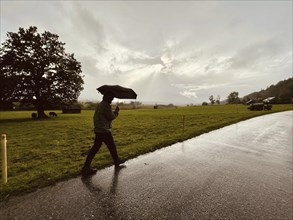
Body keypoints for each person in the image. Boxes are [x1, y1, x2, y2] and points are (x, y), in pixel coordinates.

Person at [81, 92, 127, 177]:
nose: (112, 99)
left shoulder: (101, 104)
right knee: (111, 146)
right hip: (104, 130)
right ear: (107, 97)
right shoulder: (106, 105)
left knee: (96, 148)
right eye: (111, 97)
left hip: (99, 129)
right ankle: (116, 161)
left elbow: (106, 116)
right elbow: (111, 117)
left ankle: (86, 167)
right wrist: (116, 112)